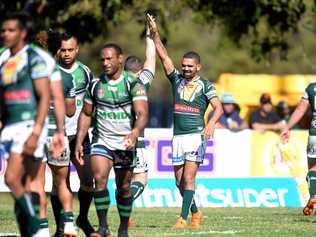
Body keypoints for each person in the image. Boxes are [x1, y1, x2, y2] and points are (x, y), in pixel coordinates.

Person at [148, 15, 223, 228]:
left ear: (198, 67)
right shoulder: (176, 80)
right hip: (178, 137)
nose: (186, 69)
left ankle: (182, 219)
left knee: (189, 179)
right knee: (179, 182)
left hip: (196, 136)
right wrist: (155, 35)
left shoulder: (206, 85)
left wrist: (210, 123)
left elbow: (219, 107)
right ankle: (196, 212)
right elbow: (164, 58)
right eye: (184, 65)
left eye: (190, 66)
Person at [75, 43, 148, 237]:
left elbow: (142, 113)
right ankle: (103, 226)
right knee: (99, 179)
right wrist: (79, 140)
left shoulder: (133, 84)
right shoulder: (96, 85)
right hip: (102, 141)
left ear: (120, 59)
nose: (105, 63)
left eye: (109, 59)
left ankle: (123, 228)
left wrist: (134, 132)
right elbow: (86, 114)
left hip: (125, 143)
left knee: (124, 188)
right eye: (102, 60)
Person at [0, 12, 53, 236]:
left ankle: (37, 228)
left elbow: (44, 97)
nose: (5, 34)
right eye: (3, 30)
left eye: (11, 30)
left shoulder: (34, 58)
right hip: (10, 127)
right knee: (22, 182)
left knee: (11, 178)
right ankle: (31, 231)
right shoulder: (4, 59)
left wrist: (37, 131)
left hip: (29, 126)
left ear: (22, 33)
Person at [34, 30, 78, 237]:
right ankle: (69, 223)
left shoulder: (28, 72)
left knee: (37, 183)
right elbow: (70, 110)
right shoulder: (65, 76)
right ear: (58, 51)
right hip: (57, 134)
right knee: (62, 182)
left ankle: (42, 228)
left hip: (35, 133)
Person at [52, 33, 94, 237]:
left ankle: (83, 219)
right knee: (61, 183)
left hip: (80, 135)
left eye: (70, 49)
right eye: (63, 49)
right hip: (57, 134)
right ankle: (61, 228)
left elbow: (91, 103)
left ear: (77, 50)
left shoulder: (85, 72)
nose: (66, 54)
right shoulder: (50, 72)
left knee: (88, 180)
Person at [123, 18, 156, 227]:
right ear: (138, 71)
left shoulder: (113, 82)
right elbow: (151, 57)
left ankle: (125, 214)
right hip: (136, 137)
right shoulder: (141, 81)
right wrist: (149, 33)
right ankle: (125, 206)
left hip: (113, 135)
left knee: (122, 179)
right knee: (141, 180)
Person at [280, 81, 316, 218]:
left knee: (313, 169)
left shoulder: (312, 88)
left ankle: (313, 195)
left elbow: (301, 109)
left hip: (314, 133)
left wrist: (287, 127)